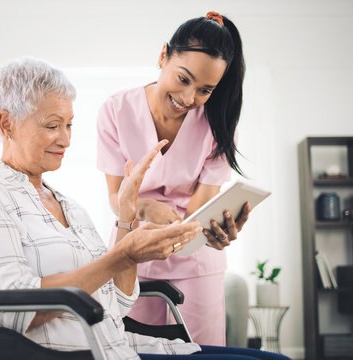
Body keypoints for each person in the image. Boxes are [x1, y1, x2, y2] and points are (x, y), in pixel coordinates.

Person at [0, 57, 289, 360]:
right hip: (68, 352)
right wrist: (122, 256)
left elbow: (118, 304)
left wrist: (125, 218)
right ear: (7, 124)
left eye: (69, 124)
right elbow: (19, 309)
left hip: (119, 345)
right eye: (52, 126)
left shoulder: (69, 206)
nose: (66, 139)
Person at [96, 12, 250, 346]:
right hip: (134, 249)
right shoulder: (116, 110)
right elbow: (115, 198)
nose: (189, 98)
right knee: (134, 348)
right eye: (183, 79)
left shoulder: (219, 126)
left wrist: (216, 230)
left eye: (205, 90)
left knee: (202, 350)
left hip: (195, 254)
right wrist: (147, 208)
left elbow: (200, 209)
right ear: (163, 55)